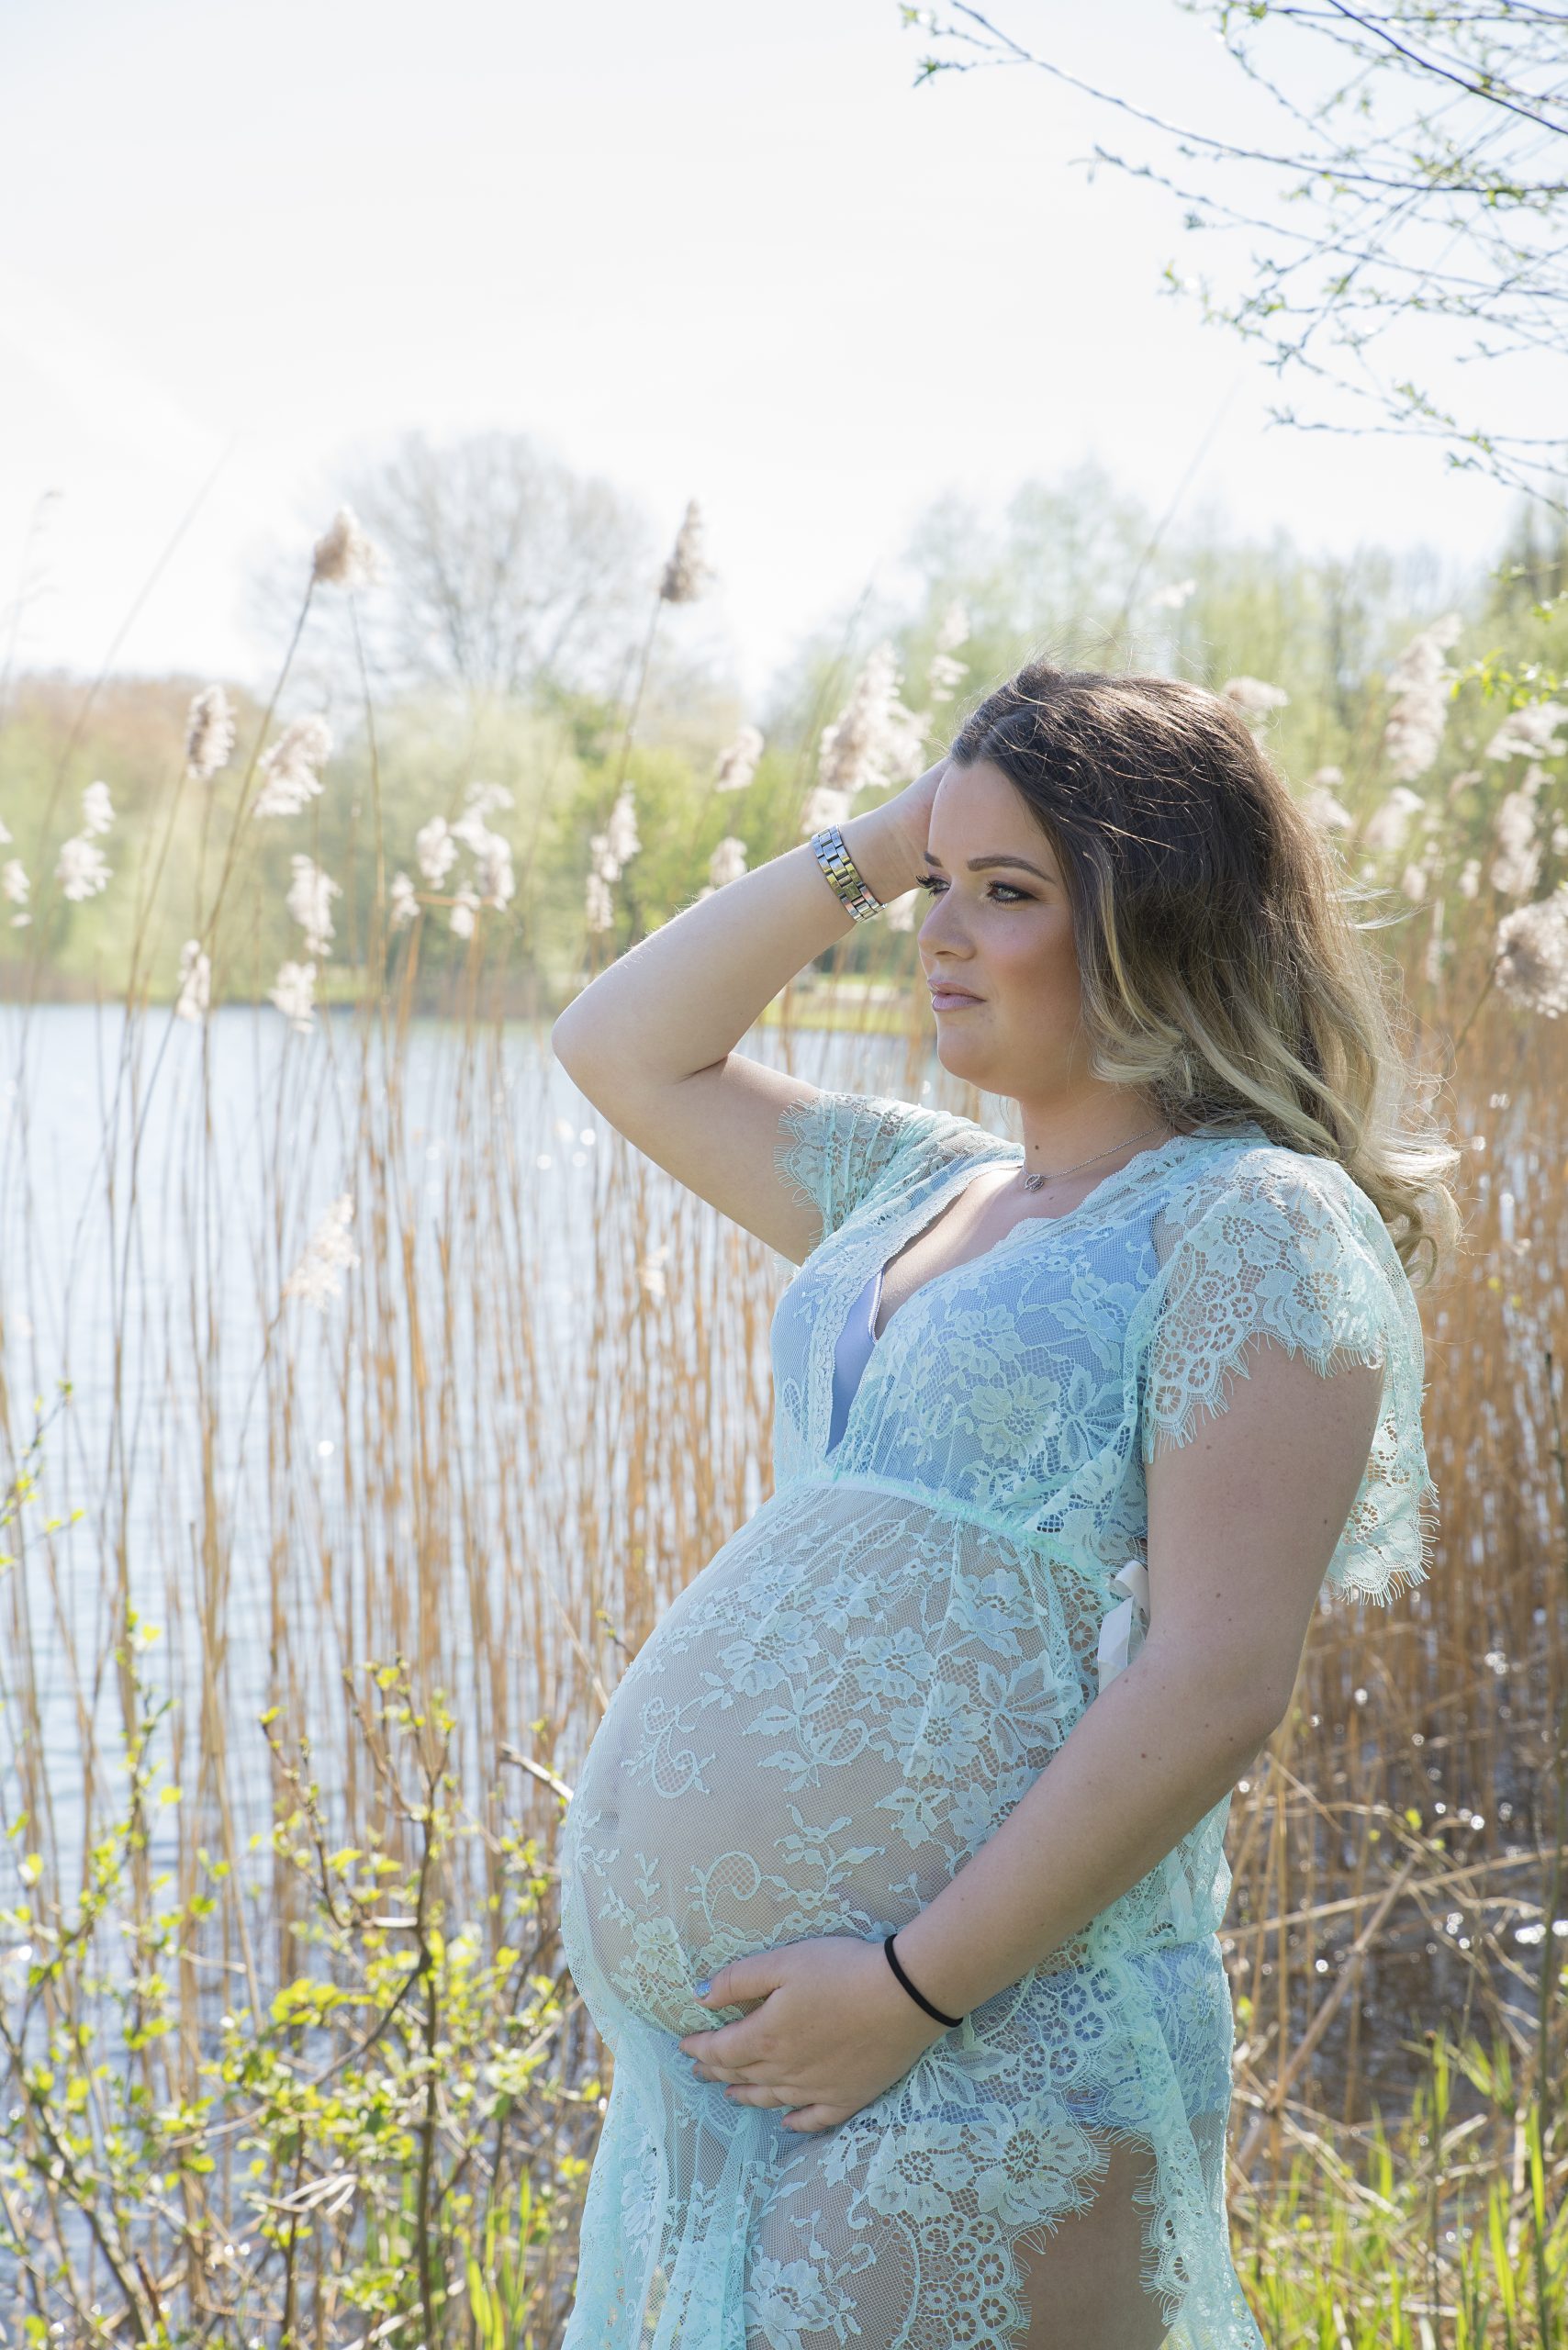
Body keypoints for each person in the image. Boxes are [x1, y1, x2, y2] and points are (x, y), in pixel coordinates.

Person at [548, 659, 1457, 2349]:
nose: (940, 933)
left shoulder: (1246, 1219)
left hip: (988, 2046)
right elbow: (620, 1044)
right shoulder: (921, 1183)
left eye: (1011, 894)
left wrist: (909, 1988)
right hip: (755, 2074)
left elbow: (1215, 1674)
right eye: (937, 892)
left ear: (1157, 922)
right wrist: (909, 825)